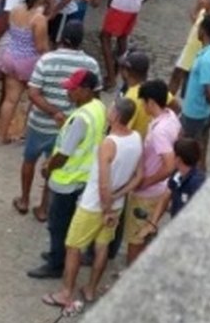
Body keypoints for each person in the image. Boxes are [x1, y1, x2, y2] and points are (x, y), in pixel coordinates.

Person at [42, 98, 142, 307]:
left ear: (115, 116)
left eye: (112, 108)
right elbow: (138, 176)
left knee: (73, 246)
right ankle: (91, 289)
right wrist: (117, 197)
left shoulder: (109, 143)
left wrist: (106, 206)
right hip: (116, 204)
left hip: (94, 205)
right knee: (102, 246)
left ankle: (66, 293)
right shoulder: (136, 138)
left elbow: (103, 182)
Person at [14, 21, 99, 219]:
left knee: (29, 160)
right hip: (70, 127)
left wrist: (52, 112)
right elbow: (96, 96)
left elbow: (33, 93)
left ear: (62, 38)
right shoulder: (91, 65)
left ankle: (24, 199)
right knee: (54, 165)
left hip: (40, 123)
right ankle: (44, 208)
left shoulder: (47, 60)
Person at [27, 69, 106, 280]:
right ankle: (59, 254)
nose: (68, 93)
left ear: (86, 90)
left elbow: (64, 153)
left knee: (57, 224)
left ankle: (56, 263)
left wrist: (48, 168)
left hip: (66, 180)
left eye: (73, 89)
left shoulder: (80, 118)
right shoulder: (98, 107)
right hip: (84, 177)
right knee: (67, 221)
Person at [126, 80, 181, 265]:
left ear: (150, 102)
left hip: (148, 193)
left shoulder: (160, 132)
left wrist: (146, 181)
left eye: (143, 102)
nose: (142, 106)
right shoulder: (171, 116)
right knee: (147, 233)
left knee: (136, 238)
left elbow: (169, 165)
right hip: (160, 190)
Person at [0, 0, 50, 145]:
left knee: (10, 100)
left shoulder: (15, 10)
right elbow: (40, 46)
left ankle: (3, 134)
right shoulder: (38, 19)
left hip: (11, 56)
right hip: (29, 61)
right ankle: (25, 133)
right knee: (35, 97)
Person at [181, 14, 210, 170]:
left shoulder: (207, 59)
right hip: (204, 111)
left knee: (185, 147)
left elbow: (209, 91)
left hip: (195, 112)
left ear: (203, 31)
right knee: (202, 142)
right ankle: (201, 170)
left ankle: (191, 176)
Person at [121, 52, 178, 139]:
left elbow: (123, 130)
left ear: (126, 72)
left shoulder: (130, 97)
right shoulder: (155, 88)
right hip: (154, 140)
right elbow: (176, 107)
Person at [163, 138, 206, 218]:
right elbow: (168, 192)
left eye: (173, 153)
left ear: (178, 159)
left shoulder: (196, 183)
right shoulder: (177, 175)